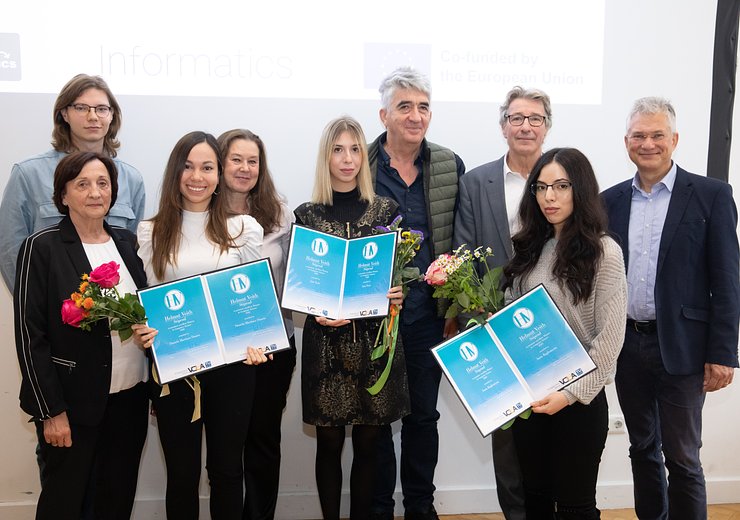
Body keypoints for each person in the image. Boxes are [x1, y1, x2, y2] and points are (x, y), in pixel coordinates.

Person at [602, 97, 740, 520]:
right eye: (639, 135)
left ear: (674, 139)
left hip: (684, 348)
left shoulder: (712, 196)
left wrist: (722, 353)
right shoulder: (609, 202)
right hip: (629, 347)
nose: (648, 143)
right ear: (626, 141)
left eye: (657, 134)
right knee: (642, 449)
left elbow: (728, 280)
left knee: (682, 458)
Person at [133, 131, 266, 520]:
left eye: (207, 167)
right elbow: (148, 299)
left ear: (218, 174)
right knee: (182, 474)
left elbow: (253, 303)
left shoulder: (244, 228)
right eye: (188, 166)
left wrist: (258, 342)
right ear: (176, 172)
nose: (197, 176)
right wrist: (143, 331)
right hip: (175, 370)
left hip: (234, 370)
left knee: (226, 471)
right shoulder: (150, 231)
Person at [14, 151, 149, 519]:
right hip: (72, 404)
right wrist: (51, 411)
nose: (95, 192)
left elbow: (145, 311)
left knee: (116, 500)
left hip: (131, 398)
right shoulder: (41, 247)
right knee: (65, 503)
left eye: (103, 183)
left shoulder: (126, 242)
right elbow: (31, 337)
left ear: (113, 192)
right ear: (63, 195)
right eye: (83, 184)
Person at [295, 116, 410, 520]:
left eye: (355, 149)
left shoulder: (387, 212)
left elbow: (398, 274)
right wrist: (315, 309)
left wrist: (398, 291)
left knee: (369, 443)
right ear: (326, 157)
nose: (347, 159)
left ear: (365, 155)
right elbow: (300, 285)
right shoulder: (306, 215)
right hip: (325, 346)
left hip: (376, 345)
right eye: (338, 150)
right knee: (327, 443)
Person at [505, 147, 627, 519]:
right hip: (532, 399)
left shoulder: (604, 252)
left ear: (581, 189)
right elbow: (513, 319)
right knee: (536, 498)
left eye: (561, 186)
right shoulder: (529, 246)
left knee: (575, 507)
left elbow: (609, 341)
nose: (549, 197)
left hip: (579, 404)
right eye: (541, 188)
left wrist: (570, 394)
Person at [368, 66, 465, 520]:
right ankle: (379, 508)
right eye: (405, 106)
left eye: (423, 106)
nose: (415, 115)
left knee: (423, 417)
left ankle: (421, 508)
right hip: (374, 319)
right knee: (377, 421)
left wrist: (457, 307)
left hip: (430, 316)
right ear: (385, 113)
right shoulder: (360, 164)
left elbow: (460, 239)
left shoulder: (448, 163)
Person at [452, 86, 552, 520]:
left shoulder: (564, 176)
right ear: (503, 126)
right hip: (493, 325)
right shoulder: (475, 182)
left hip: (553, 325)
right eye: (516, 118)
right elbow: (462, 254)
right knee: (506, 434)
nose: (525, 126)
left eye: (535, 118)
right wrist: (479, 316)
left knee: (552, 428)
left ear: (547, 126)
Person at [0, 73, 145, 293]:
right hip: (58, 308)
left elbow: (134, 252)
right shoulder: (29, 174)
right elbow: (10, 249)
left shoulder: (131, 179)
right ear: (64, 114)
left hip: (120, 311)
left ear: (112, 115)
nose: (93, 116)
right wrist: (31, 302)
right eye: (81, 108)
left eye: (101, 109)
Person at [217, 129, 297, 520]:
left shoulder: (279, 212)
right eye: (236, 159)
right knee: (226, 447)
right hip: (221, 351)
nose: (245, 168)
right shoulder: (201, 213)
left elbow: (296, 277)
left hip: (273, 346)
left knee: (264, 441)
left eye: (253, 161)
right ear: (220, 162)